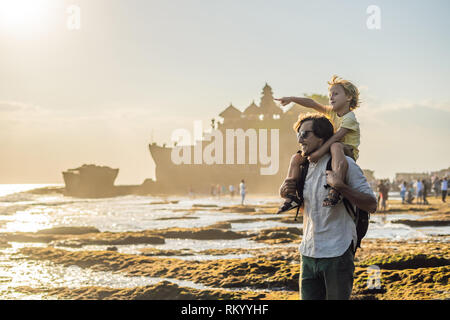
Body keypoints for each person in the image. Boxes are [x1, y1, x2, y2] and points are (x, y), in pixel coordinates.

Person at [279, 114, 377, 300]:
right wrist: (285, 191)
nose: (300, 139)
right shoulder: (303, 168)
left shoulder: (344, 165)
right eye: (299, 134)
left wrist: (341, 187)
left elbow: (371, 204)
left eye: (306, 134)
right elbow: (302, 204)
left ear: (321, 137)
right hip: (308, 253)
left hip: (337, 254)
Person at [275, 75, 361, 213]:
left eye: (336, 94)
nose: (331, 97)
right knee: (297, 158)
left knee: (335, 145)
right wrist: (291, 99)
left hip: (347, 151)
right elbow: (312, 103)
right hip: (331, 149)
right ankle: (291, 196)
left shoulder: (350, 118)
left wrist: (318, 153)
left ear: (349, 97)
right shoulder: (332, 112)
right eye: (330, 94)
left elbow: (335, 138)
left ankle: (336, 189)